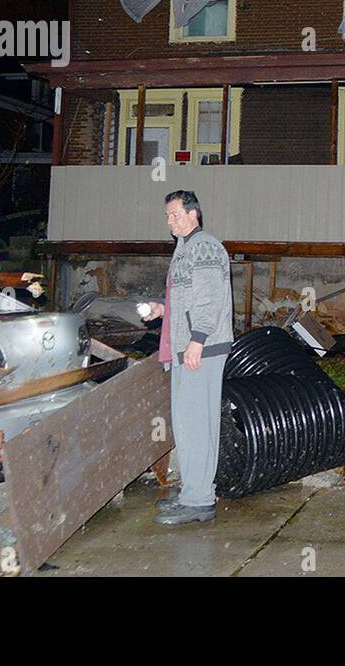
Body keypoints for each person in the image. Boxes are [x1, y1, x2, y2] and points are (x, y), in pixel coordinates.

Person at [142, 190, 234, 526]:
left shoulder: (205, 246)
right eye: (167, 215)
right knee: (187, 424)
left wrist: (197, 340)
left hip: (201, 349)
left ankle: (199, 501)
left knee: (197, 424)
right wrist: (162, 310)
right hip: (187, 347)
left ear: (193, 214)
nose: (169, 221)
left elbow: (209, 301)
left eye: (175, 214)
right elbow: (188, 302)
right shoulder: (185, 249)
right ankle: (192, 494)